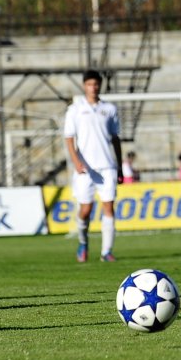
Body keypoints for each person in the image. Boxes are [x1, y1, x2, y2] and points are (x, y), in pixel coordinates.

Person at [64, 69, 123, 263]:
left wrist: (120, 166)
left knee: (109, 207)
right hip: (85, 168)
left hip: (107, 166)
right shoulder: (75, 109)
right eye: (89, 84)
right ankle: (83, 242)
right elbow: (69, 138)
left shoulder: (109, 109)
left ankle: (107, 252)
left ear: (100, 85)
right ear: (84, 86)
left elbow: (116, 139)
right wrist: (76, 162)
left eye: (96, 84)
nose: (93, 87)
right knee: (85, 210)